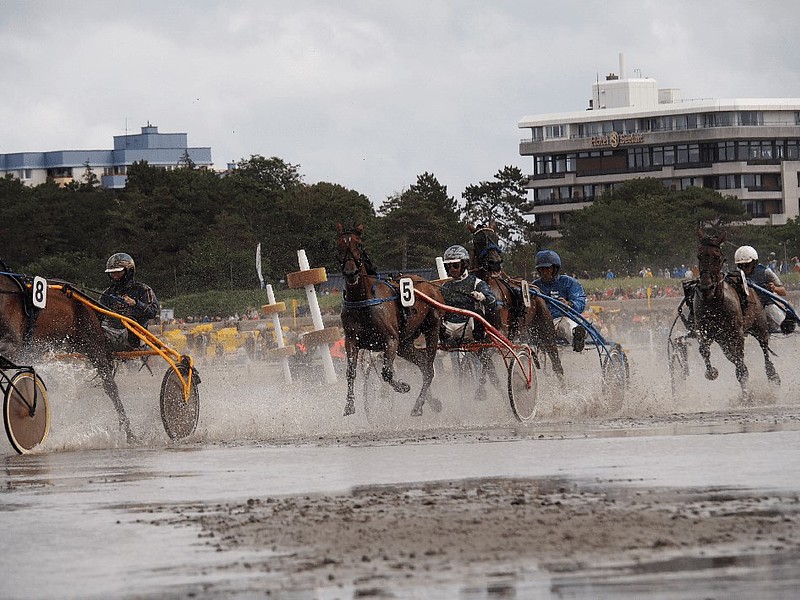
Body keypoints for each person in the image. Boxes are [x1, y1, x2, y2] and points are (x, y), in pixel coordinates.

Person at [99, 252, 160, 351]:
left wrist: (136, 303)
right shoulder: (107, 293)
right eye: (112, 273)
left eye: (118, 272)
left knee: (130, 320)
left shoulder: (143, 289)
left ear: (129, 271)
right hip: (111, 332)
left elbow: (153, 312)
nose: (115, 276)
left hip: (135, 335)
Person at [439, 245, 498, 344]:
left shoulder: (477, 283)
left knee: (478, 313)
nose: (452, 269)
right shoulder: (445, 286)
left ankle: (481, 343)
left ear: (464, 264)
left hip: (470, 329)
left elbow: (492, 301)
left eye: (455, 265)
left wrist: (482, 297)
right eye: (448, 266)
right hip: (448, 329)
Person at [532, 250, 588, 352]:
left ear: (555, 268)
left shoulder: (569, 282)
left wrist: (569, 304)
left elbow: (580, 302)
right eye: (541, 269)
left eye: (547, 269)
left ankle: (577, 338)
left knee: (565, 324)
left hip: (562, 319)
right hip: (542, 324)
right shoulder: (534, 286)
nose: (544, 272)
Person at [734, 245, 795, 334]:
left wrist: (774, 288)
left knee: (784, 325)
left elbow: (783, 292)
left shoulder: (766, 272)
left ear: (754, 263)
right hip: (746, 306)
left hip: (766, 304)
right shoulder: (736, 274)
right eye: (740, 266)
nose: (743, 268)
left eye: (746, 265)